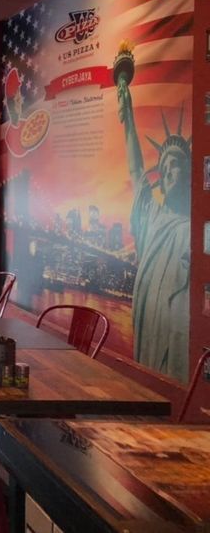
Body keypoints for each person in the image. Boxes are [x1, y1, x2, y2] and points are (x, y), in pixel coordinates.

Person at [116, 47, 190, 382]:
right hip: (148, 317)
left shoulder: (194, 228)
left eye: (178, 165)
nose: (170, 171)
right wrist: (128, 117)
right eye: (166, 165)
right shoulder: (152, 215)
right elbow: (135, 169)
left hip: (178, 326)